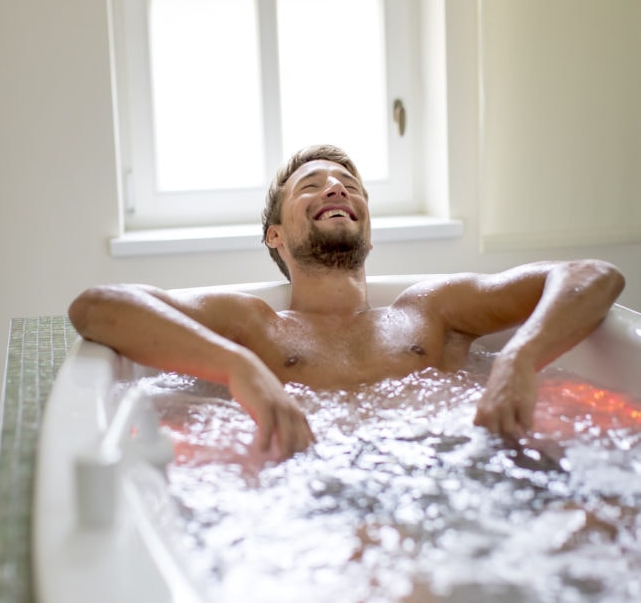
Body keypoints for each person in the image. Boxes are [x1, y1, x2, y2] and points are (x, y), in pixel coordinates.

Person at [69, 144, 625, 461]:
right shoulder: (250, 324)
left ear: (369, 230)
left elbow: (592, 276)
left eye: (349, 184)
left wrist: (520, 358)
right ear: (275, 236)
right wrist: (240, 370)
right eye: (311, 185)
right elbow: (98, 308)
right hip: (318, 491)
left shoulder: (429, 310)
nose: (336, 188)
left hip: (460, 466)